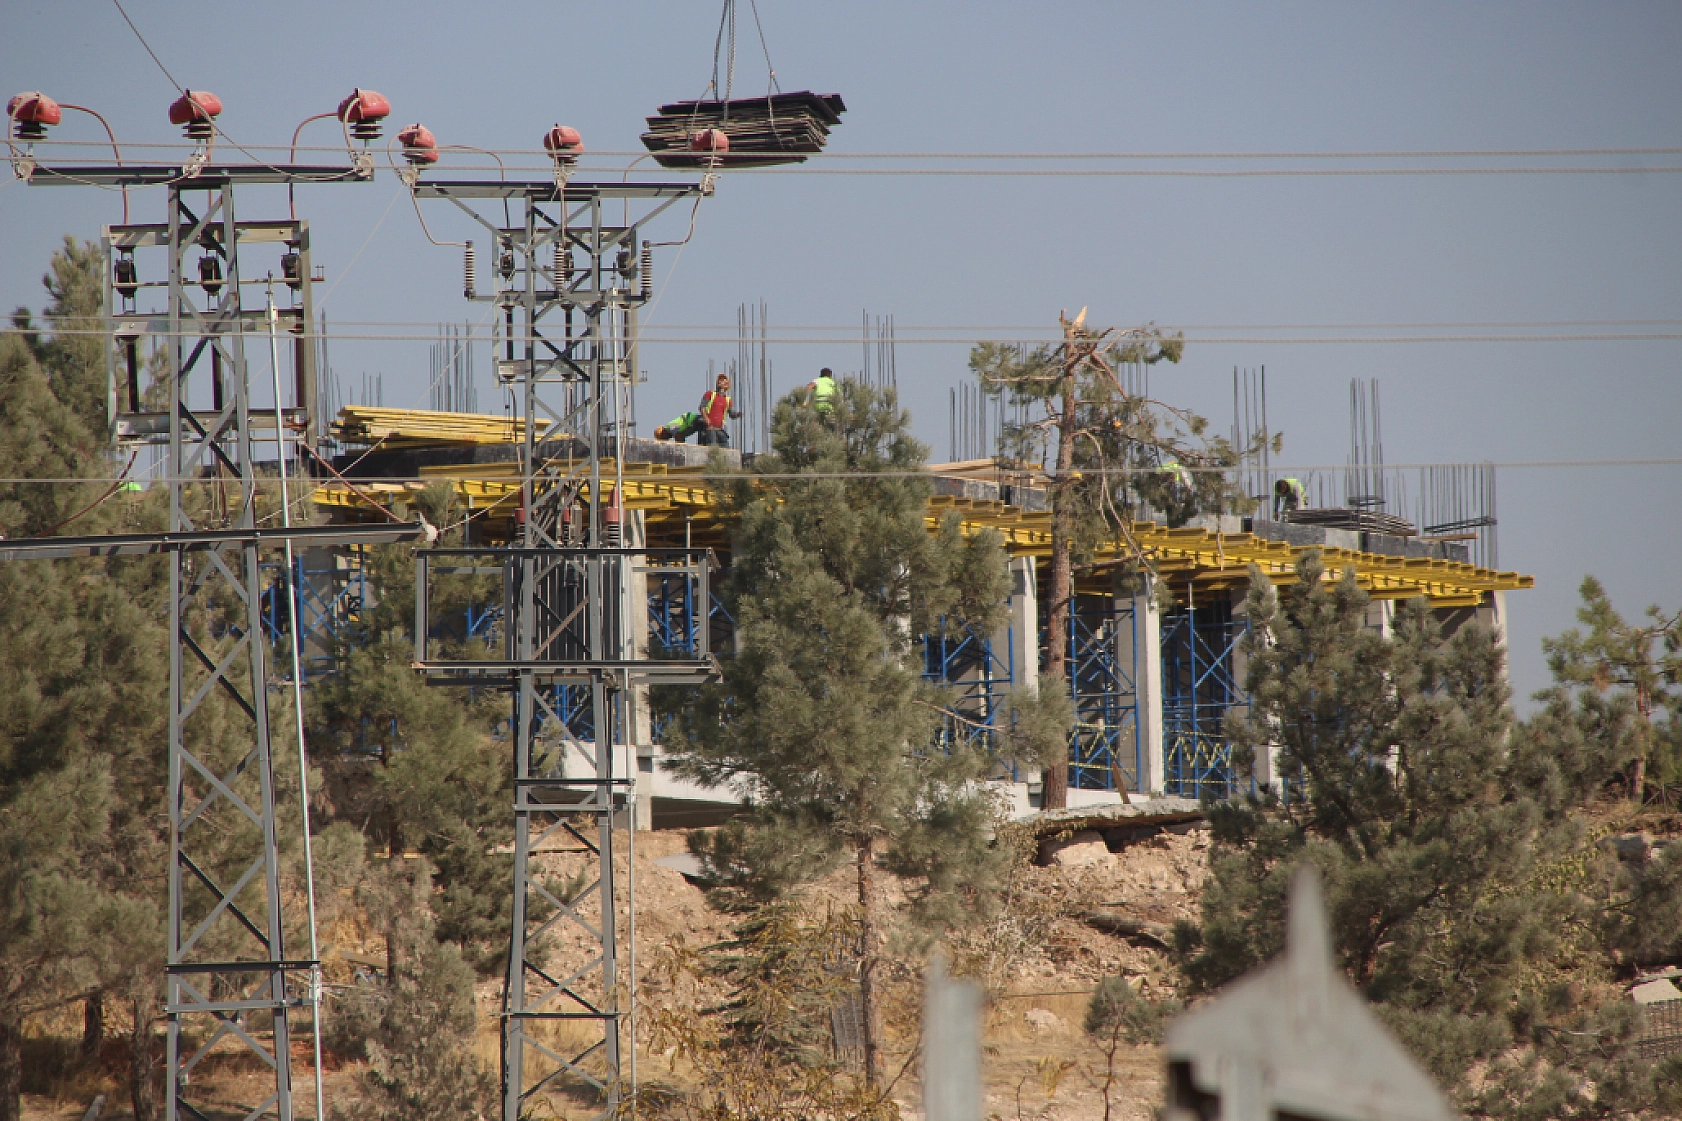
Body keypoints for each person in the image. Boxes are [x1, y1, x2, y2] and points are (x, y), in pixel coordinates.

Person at [696, 371, 740, 447]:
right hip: (710, 428)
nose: (720, 382)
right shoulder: (710, 394)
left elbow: (731, 414)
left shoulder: (727, 399)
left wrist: (737, 414)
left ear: (726, 385)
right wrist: (706, 418)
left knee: (725, 448)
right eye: (719, 380)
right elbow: (701, 407)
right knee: (712, 448)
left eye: (723, 381)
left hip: (719, 429)